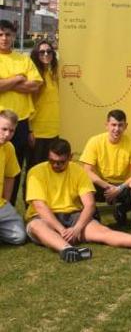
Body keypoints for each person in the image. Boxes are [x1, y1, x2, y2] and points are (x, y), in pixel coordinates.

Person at [25, 139, 131, 262]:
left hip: (73, 216)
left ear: (70, 157)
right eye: (52, 161)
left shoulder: (78, 171)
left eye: (61, 162)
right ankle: (66, 249)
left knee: (102, 232)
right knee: (36, 226)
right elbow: (40, 207)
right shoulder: (36, 172)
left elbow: (89, 204)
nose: (55, 165)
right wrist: (62, 230)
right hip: (43, 218)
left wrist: (77, 228)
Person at [0, 19, 42, 204]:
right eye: (0, 34)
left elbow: (35, 85)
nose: (4, 38)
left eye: (8, 34)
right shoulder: (20, 68)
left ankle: (6, 208)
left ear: (14, 36)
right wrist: (18, 78)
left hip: (20, 124)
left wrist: (5, 83)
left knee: (14, 169)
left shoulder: (23, 59)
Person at [79, 110, 131, 226]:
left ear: (126, 126)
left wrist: (119, 189)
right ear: (106, 125)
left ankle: (122, 209)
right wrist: (108, 186)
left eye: (120, 125)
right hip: (102, 185)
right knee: (83, 184)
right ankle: (92, 214)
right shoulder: (95, 141)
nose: (117, 129)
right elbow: (87, 171)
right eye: (113, 125)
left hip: (124, 186)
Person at [29, 40, 59, 166]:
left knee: (49, 170)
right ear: (36, 54)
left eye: (49, 51)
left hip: (54, 131)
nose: (46, 54)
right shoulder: (33, 76)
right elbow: (27, 103)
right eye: (42, 52)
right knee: (34, 170)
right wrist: (29, 131)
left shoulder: (54, 74)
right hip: (38, 132)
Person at [0, 110, 25, 245]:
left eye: (11, 131)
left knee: (19, 236)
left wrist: (6, 202)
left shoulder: (9, 148)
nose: (7, 134)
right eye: (4, 129)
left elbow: (10, 176)